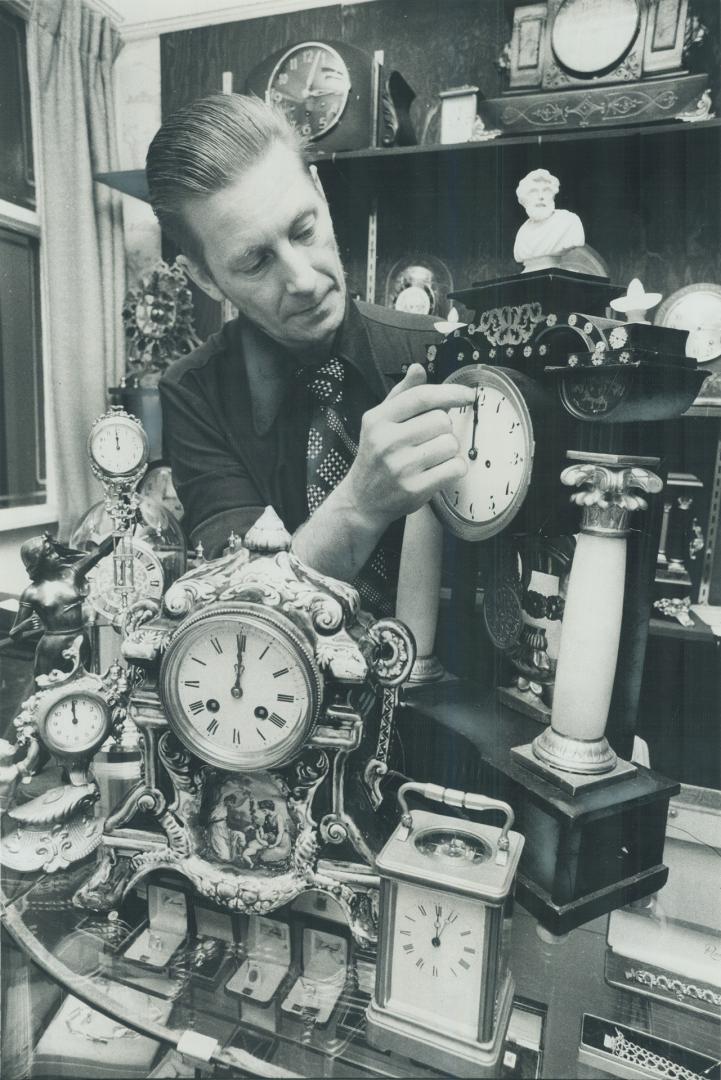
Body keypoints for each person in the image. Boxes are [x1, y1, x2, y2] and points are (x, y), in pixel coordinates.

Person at [146, 94, 473, 616]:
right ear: (205, 278)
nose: (302, 279)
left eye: (304, 229)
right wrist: (360, 506)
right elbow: (241, 606)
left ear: (320, 192)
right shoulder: (194, 394)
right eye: (255, 262)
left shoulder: (443, 350)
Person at [513, 168, 585, 273]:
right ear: (524, 199)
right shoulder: (522, 232)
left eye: (546, 191)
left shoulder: (568, 221)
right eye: (534, 192)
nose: (541, 197)